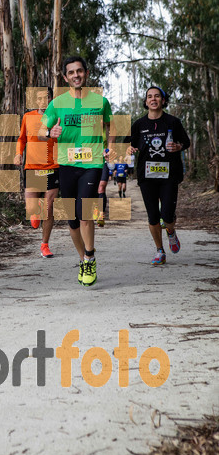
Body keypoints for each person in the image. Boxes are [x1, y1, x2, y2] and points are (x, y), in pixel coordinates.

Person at [42, 56, 113, 287]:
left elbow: (112, 125)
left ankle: (90, 257)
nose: (76, 75)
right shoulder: (57, 103)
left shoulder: (100, 101)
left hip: (91, 164)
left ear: (87, 73)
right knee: (72, 220)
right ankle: (83, 259)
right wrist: (49, 133)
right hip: (67, 165)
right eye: (71, 73)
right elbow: (43, 127)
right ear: (65, 77)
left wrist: (109, 146)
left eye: (79, 71)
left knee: (84, 213)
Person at [130, 86, 190, 266]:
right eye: (150, 96)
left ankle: (171, 232)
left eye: (157, 96)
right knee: (153, 216)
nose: (153, 99)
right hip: (147, 176)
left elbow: (186, 142)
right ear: (146, 101)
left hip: (169, 175)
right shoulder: (138, 125)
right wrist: (130, 149)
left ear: (163, 100)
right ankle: (160, 251)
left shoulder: (173, 122)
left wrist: (179, 147)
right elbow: (129, 145)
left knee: (167, 215)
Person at [14, 87, 59, 258]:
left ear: (51, 99)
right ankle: (34, 213)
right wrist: (19, 153)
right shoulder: (28, 117)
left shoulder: (57, 116)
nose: (42, 101)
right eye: (39, 98)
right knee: (32, 207)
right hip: (33, 167)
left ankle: (45, 244)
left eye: (46, 97)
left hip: (53, 166)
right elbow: (21, 138)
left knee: (48, 206)